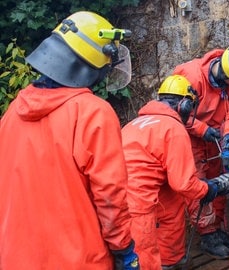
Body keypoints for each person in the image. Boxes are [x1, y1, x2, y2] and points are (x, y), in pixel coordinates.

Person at [0, 11, 139, 269]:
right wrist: (123, 248)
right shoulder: (92, 113)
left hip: (15, 257)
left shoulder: (12, 112)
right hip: (78, 258)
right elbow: (110, 196)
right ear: (96, 62)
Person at [121, 74, 229, 269]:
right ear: (185, 106)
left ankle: (171, 260)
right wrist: (210, 188)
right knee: (143, 257)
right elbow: (184, 183)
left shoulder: (133, 124)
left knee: (172, 203)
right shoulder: (173, 128)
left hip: (124, 194)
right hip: (137, 202)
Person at [172, 45, 229, 259]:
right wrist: (202, 129)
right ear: (226, 74)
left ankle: (217, 229)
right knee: (199, 185)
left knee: (220, 182)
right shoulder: (191, 76)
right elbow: (176, 112)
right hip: (190, 137)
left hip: (214, 137)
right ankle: (207, 233)